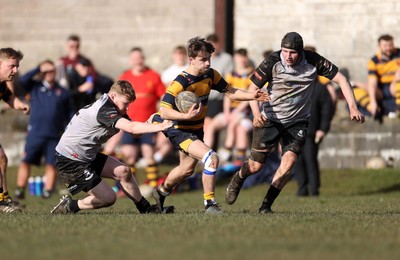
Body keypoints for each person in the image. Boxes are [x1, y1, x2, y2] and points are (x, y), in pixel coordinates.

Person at [225, 32, 365, 214]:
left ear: (300, 52)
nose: (288, 56)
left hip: (297, 122)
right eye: (284, 51)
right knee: (255, 166)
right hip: (270, 119)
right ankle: (238, 178)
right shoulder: (272, 61)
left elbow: (342, 79)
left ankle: (266, 206)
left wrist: (352, 107)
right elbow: (253, 88)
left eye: (292, 52)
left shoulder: (314, 61)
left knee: (289, 162)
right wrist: (256, 113)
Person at [151, 36, 269, 214]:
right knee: (211, 158)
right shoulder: (180, 82)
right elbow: (164, 111)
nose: (207, 63)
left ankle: (160, 193)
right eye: (203, 59)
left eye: (209, 59)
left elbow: (231, 92)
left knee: (186, 170)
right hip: (179, 130)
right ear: (191, 59)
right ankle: (210, 204)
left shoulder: (210, 75)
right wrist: (184, 115)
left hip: (196, 129)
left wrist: (253, 96)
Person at [50, 80, 173, 214]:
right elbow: (132, 128)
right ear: (113, 96)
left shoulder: (113, 107)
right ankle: (70, 205)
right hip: (70, 161)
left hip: (85, 156)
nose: (127, 108)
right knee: (108, 198)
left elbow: (134, 130)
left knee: (124, 171)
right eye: (125, 104)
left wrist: (151, 121)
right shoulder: (104, 110)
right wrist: (160, 126)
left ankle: (147, 210)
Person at [103, 47, 166, 189]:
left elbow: (163, 97)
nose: (137, 61)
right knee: (128, 155)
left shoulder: (153, 76)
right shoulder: (125, 76)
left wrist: (162, 116)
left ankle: (154, 186)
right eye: (134, 58)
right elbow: (114, 97)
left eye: (140, 58)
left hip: (147, 124)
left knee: (148, 154)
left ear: (143, 59)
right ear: (131, 60)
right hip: (128, 123)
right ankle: (130, 185)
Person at [14, 60, 71, 199]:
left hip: (54, 134)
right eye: (47, 71)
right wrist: (38, 68)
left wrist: (68, 131)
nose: (50, 74)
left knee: (51, 163)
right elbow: (22, 81)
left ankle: (48, 190)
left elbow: (70, 113)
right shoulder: (34, 87)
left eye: (52, 71)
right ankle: (20, 189)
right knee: (26, 161)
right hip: (36, 132)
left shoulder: (62, 92)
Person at [204, 48, 254, 162]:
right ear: (235, 58)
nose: (242, 59)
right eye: (240, 57)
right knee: (211, 126)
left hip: (244, 112)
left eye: (244, 57)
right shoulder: (230, 74)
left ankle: (229, 151)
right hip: (230, 111)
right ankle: (205, 156)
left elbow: (249, 97)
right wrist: (227, 112)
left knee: (237, 127)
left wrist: (236, 111)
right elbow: (227, 95)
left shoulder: (252, 74)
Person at [293, 76, 335, 197]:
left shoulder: (319, 89)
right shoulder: (295, 88)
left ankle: (314, 189)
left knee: (310, 159)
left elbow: (327, 110)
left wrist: (322, 129)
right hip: (295, 131)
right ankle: (302, 188)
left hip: (311, 131)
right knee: (297, 161)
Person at [0, 48, 30, 212]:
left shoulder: (2, 85)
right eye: (12, 66)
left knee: (2, 159)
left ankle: (4, 197)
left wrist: (21, 106)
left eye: (17, 66)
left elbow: (9, 98)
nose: (16, 70)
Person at [204, 34, 234, 150]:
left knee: (208, 124)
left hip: (218, 98)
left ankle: (206, 153)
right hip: (205, 97)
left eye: (215, 44)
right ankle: (208, 151)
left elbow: (229, 78)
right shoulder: (204, 58)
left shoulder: (226, 59)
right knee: (206, 125)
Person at [367, 34, 400, 118]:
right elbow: (372, 82)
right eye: (385, 46)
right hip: (382, 89)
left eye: (390, 45)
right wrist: (372, 101)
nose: (388, 48)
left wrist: (395, 81)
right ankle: (374, 110)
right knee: (356, 90)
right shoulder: (374, 61)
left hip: (396, 85)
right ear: (379, 46)